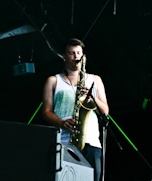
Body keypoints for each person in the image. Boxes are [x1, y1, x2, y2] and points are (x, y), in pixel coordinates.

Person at [42, 38, 109, 181]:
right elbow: (46, 112)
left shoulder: (95, 79)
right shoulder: (53, 81)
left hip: (91, 142)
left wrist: (92, 97)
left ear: (83, 56)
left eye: (79, 53)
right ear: (64, 56)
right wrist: (61, 123)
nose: (76, 56)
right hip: (64, 142)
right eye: (72, 53)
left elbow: (105, 111)